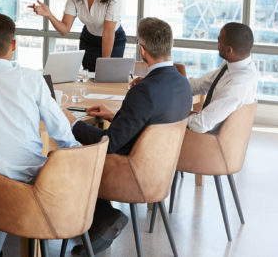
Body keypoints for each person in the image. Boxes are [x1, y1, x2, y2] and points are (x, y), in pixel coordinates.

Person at [64, 17, 192, 255]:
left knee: (68, 154)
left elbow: (109, 144)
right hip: (158, 171)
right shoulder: (182, 83)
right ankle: (97, 225)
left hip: (129, 170)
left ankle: (104, 217)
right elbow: (151, 126)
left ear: (142, 49)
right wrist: (115, 116)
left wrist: (71, 123)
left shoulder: (145, 90)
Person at [0, 13, 80, 257]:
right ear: (13, 45)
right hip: (40, 184)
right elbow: (61, 130)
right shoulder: (32, 78)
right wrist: (78, 154)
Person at [187, 22, 257, 133]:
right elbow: (202, 84)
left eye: (219, 41)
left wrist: (180, 121)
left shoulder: (239, 84)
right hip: (205, 125)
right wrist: (175, 84)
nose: (217, 44)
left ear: (229, 50)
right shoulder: (232, 65)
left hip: (207, 138)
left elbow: (201, 125)